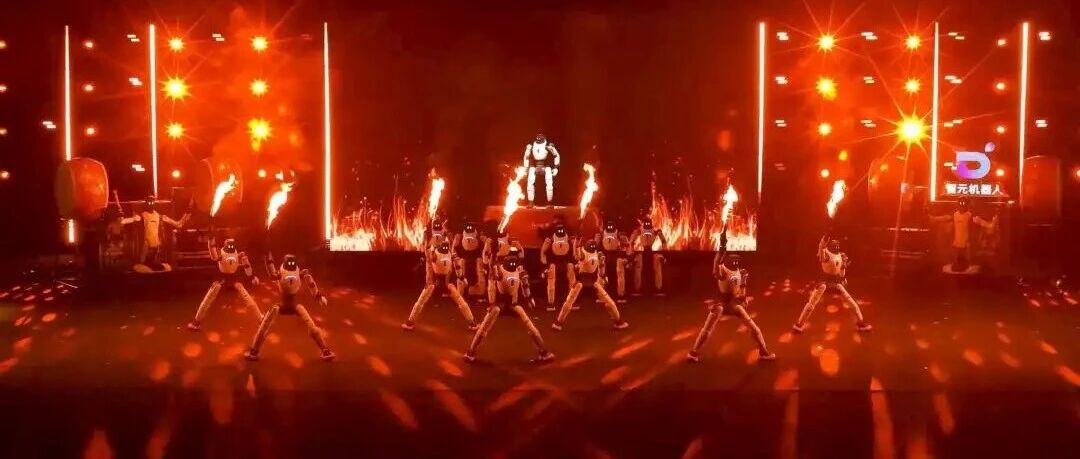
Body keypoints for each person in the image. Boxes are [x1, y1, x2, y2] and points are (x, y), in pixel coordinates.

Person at [688, 230, 774, 362]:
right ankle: (694, 352)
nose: (735, 260)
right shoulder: (722, 270)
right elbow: (716, 263)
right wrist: (721, 247)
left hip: (734, 303)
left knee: (753, 328)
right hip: (721, 303)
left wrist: (743, 293)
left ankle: (763, 351)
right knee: (708, 327)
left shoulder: (741, 273)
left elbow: (741, 292)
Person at [464, 248, 554, 364]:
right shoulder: (499, 270)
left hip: (512, 303)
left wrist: (529, 298)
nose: (512, 263)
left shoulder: (519, 271)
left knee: (529, 324)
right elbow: (492, 280)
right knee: (485, 326)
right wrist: (491, 302)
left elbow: (525, 286)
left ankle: (543, 352)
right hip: (500, 304)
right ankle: (471, 351)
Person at [245, 254, 335, 361]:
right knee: (265, 324)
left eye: (292, 263)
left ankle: (325, 350)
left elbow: (309, 281)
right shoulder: (282, 273)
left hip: (294, 304)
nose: (291, 265)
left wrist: (318, 296)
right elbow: (273, 275)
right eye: (289, 263)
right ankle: (254, 350)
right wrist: (269, 261)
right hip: (283, 304)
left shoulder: (297, 273)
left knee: (311, 325)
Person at [792, 236, 873, 333]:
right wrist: (824, 240)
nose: (837, 246)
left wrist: (844, 266)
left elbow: (841, 274)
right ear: (830, 245)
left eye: (837, 245)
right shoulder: (825, 253)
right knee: (811, 304)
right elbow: (821, 248)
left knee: (851, 303)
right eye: (834, 245)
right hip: (824, 282)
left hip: (836, 283)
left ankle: (861, 323)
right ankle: (799, 324)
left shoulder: (841, 256)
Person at [551, 239, 629, 331]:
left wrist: (602, 265)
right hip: (584, 282)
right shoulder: (588, 253)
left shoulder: (596, 254)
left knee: (608, 302)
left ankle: (618, 321)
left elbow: (600, 272)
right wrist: (576, 244)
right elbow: (578, 256)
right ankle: (558, 322)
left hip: (590, 282)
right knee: (569, 302)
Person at [187, 237, 262, 330]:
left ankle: (196, 322)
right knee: (209, 299)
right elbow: (214, 256)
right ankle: (197, 322)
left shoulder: (233, 254)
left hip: (228, 278)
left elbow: (246, 266)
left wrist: (211, 241)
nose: (230, 247)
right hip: (224, 278)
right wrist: (211, 241)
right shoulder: (229, 254)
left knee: (209, 299)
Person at [402, 241, 478, 331]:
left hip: (443, 283)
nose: (445, 250)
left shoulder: (447, 253)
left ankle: (472, 323)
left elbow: (456, 266)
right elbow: (430, 263)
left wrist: (461, 277)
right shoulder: (438, 254)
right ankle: (410, 322)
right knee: (421, 301)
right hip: (438, 282)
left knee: (461, 302)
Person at [121, 195, 189, 272]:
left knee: (156, 262)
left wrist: (187, 215)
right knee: (142, 263)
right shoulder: (143, 215)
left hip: (156, 245)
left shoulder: (159, 216)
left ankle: (153, 264)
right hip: (146, 245)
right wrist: (126, 220)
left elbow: (178, 224)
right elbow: (126, 221)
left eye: (152, 202)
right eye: (149, 202)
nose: (151, 204)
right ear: (146, 203)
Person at [541, 223, 577, 310]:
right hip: (554, 261)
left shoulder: (569, 239)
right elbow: (543, 252)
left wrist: (575, 244)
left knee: (571, 269)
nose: (560, 232)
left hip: (566, 261)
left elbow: (574, 253)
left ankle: (572, 300)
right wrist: (544, 266)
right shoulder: (550, 239)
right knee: (551, 272)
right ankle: (551, 303)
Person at [596, 219, 632, 302]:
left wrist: (627, 257)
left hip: (616, 256)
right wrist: (599, 255)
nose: (610, 227)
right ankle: (601, 295)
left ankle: (621, 294)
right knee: (601, 275)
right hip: (605, 255)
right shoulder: (601, 234)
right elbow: (596, 245)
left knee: (620, 273)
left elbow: (627, 245)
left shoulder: (619, 234)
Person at [630, 218, 667, 295]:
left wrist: (664, 251)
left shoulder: (654, 231)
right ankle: (640, 288)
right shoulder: (640, 231)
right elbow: (632, 241)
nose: (647, 224)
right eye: (646, 223)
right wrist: (632, 250)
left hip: (650, 252)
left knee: (654, 270)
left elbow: (663, 240)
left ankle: (656, 289)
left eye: (648, 223)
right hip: (644, 253)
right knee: (641, 271)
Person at [452, 221, 487, 301]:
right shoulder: (459, 237)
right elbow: (454, 249)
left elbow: (486, 250)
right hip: (463, 258)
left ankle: (478, 292)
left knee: (479, 265)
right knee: (460, 266)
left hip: (476, 259)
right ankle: (461, 292)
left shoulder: (480, 237)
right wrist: (455, 258)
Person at [523, 133, 560, 206]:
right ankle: (530, 201)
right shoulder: (531, 146)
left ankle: (549, 202)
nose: (539, 140)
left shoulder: (548, 146)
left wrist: (556, 167)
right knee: (530, 177)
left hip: (545, 166)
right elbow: (526, 156)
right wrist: (526, 168)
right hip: (535, 166)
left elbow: (556, 155)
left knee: (549, 178)